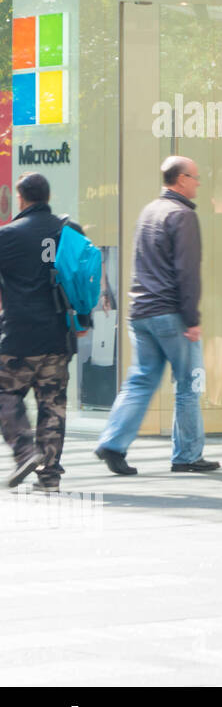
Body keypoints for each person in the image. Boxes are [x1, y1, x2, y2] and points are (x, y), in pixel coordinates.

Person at [95, 156, 213, 475]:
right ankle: (187, 455)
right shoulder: (182, 215)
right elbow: (186, 272)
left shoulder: (148, 211)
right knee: (188, 383)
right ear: (182, 179)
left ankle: (113, 442)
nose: (199, 183)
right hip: (171, 313)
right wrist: (192, 319)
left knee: (140, 379)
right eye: (196, 177)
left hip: (141, 312)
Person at [0, 172, 90, 492]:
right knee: (52, 404)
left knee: (5, 394)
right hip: (58, 336)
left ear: (22, 198)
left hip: (19, 337)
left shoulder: (7, 236)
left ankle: (25, 451)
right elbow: (83, 279)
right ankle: (49, 474)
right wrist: (84, 320)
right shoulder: (69, 231)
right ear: (47, 197)